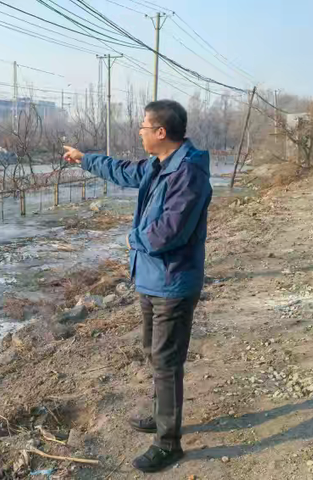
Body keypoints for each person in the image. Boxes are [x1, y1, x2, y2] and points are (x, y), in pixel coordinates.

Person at [63, 100, 212, 473]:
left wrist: (133, 239)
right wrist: (85, 159)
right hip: (151, 278)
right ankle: (163, 413)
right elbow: (123, 170)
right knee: (153, 352)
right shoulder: (159, 166)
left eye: (144, 127)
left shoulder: (188, 173)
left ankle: (168, 442)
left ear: (161, 133)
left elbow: (168, 232)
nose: (140, 132)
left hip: (172, 282)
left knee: (165, 360)